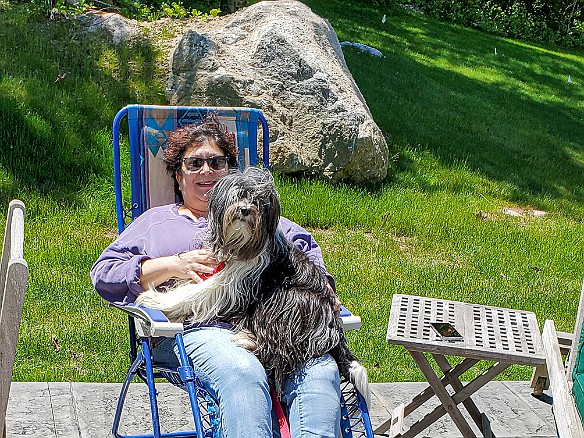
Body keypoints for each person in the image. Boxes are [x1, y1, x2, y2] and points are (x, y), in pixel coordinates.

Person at [90, 114, 342, 438]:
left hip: (270, 329)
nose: (206, 171)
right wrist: (173, 265)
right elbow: (104, 273)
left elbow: (308, 256)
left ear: (230, 172)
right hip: (193, 331)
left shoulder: (265, 219)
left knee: (320, 369)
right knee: (242, 370)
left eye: (216, 162)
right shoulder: (157, 223)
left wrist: (323, 288)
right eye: (194, 163)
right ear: (178, 177)